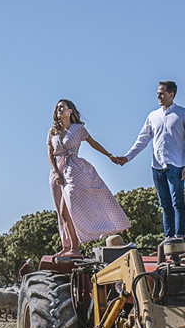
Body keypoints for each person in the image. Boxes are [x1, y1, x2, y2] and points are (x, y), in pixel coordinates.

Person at [112, 81, 185, 240]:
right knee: (165, 205)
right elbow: (142, 140)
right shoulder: (153, 115)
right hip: (157, 166)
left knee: (177, 202)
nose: (158, 96)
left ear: (171, 95)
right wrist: (127, 157)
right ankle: (168, 238)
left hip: (176, 165)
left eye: (162, 93)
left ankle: (179, 237)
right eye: (157, 93)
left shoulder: (184, 113)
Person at [48, 99, 131, 257]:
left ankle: (75, 248)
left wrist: (110, 156)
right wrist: (55, 172)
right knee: (61, 212)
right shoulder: (53, 131)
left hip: (73, 169)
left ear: (70, 111)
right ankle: (68, 246)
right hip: (56, 173)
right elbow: (50, 154)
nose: (58, 110)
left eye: (62, 107)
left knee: (68, 208)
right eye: (57, 108)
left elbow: (93, 143)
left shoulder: (78, 129)